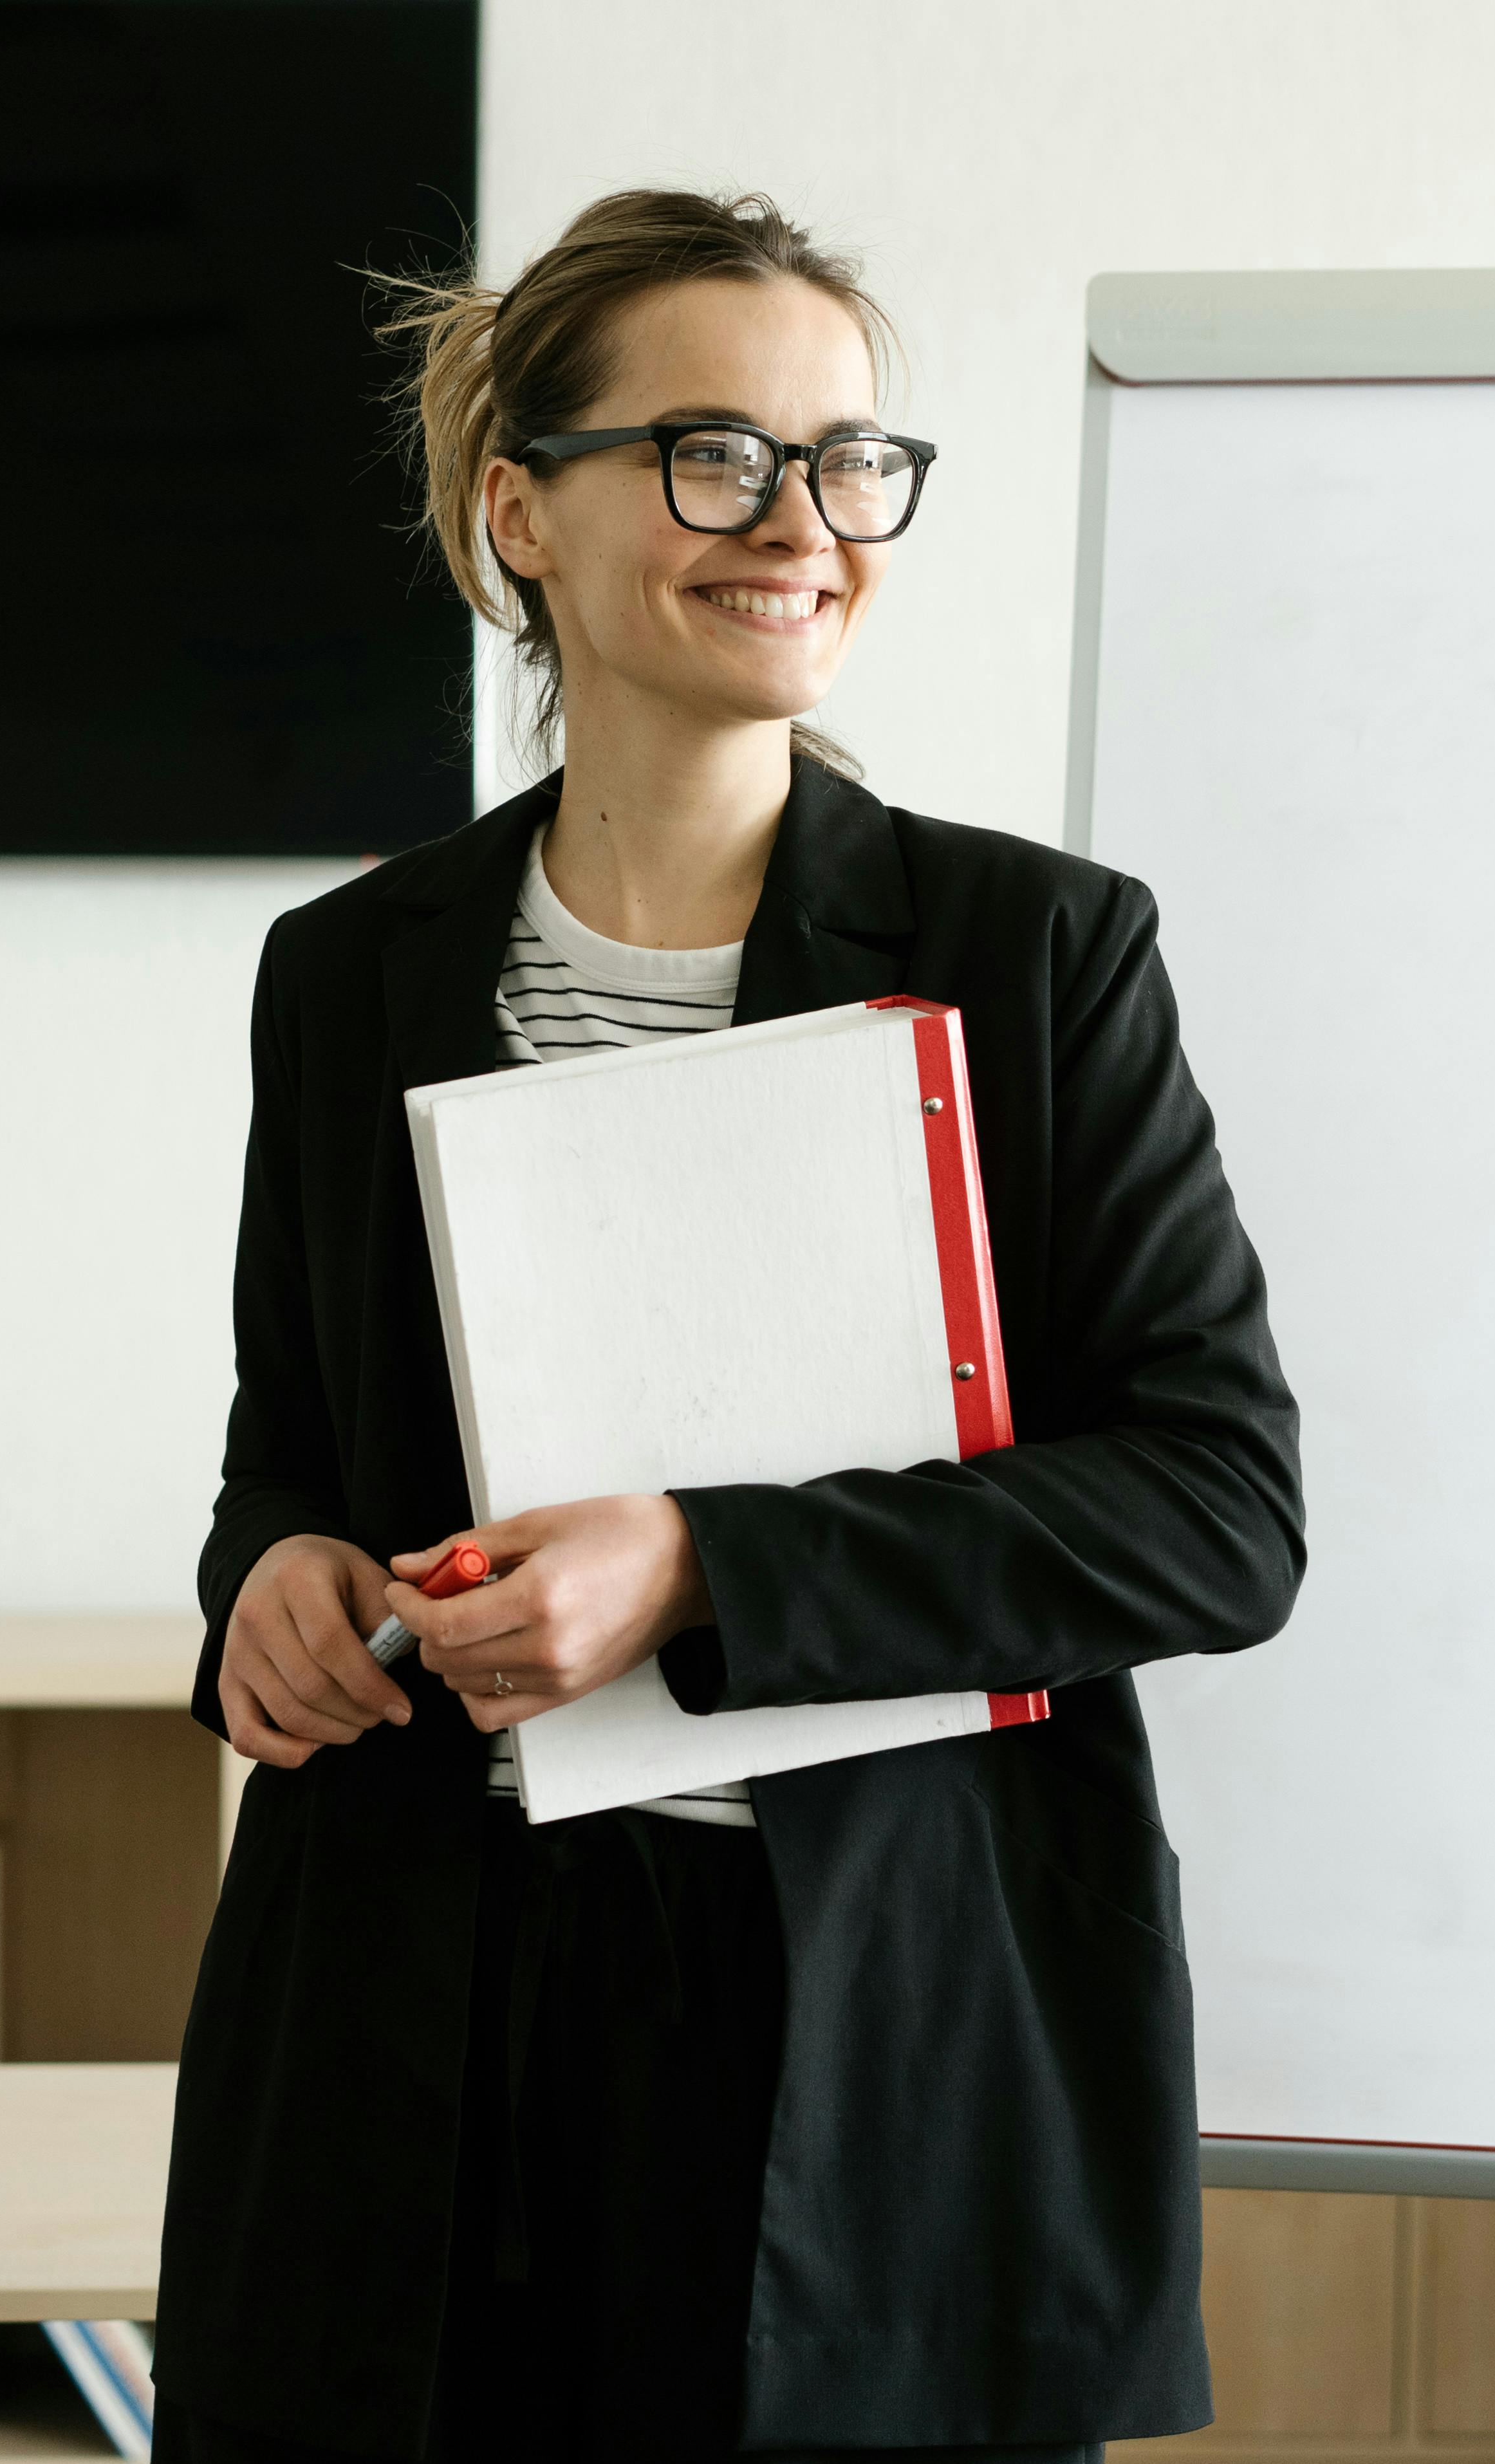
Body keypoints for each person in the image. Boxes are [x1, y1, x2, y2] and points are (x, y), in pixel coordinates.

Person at [154, 188, 1303, 2464]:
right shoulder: (350, 968)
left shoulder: (1036, 955)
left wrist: (695, 1567)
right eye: (713, 453)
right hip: (414, 2028)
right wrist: (267, 1584)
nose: (801, 522)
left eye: (848, 459)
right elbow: (290, 1447)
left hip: (854, 2038)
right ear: (522, 514)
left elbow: (1216, 1513)